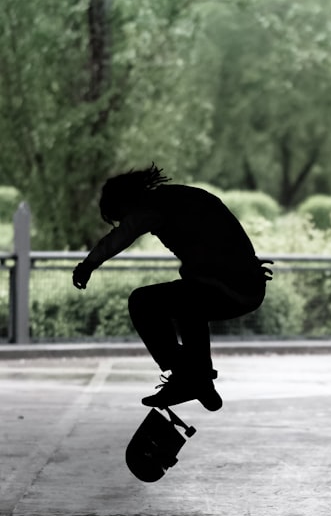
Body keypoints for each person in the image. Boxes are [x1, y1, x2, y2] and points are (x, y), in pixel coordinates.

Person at [73, 164, 272, 410]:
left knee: (145, 301)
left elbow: (121, 236)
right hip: (242, 285)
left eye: (122, 216)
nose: (125, 222)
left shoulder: (154, 205)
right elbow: (228, 233)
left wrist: (88, 265)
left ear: (127, 202)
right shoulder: (181, 197)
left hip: (230, 285)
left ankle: (191, 377)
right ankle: (197, 379)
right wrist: (246, 267)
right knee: (187, 302)